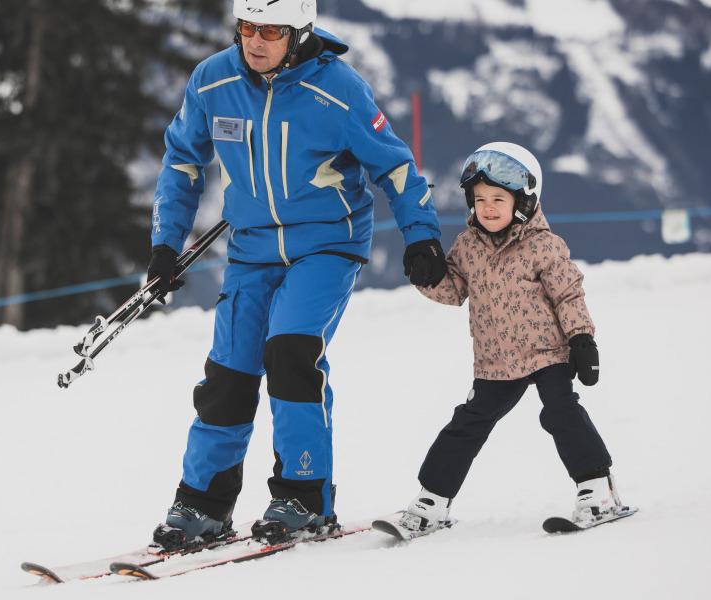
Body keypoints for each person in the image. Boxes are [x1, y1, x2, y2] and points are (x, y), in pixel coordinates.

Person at [145, 0, 445, 550]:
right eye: (247, 28)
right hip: (252, 249)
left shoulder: (338, 88)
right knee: (228, 374)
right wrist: (166, 246)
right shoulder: (214, 81)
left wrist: (420, 234)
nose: (255, 42)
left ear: (299, 32)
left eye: (270, 32)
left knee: (290, 354)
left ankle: (304, 498)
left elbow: (394, 164)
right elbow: (182, 161)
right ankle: (203, 503)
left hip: (328, 245)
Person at [379, 142, 631, 538]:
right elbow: (454, 291)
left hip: (548, 352)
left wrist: (582, 339)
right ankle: (432, 500)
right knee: (467, 424)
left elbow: (568, 294)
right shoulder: (468, 247)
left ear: (525, 200)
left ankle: (597, 489)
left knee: (560, 413)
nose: (488, 207)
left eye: (499, 198)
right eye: (480, 199)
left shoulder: (544, 246)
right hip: (496, 360)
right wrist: (427, 275)